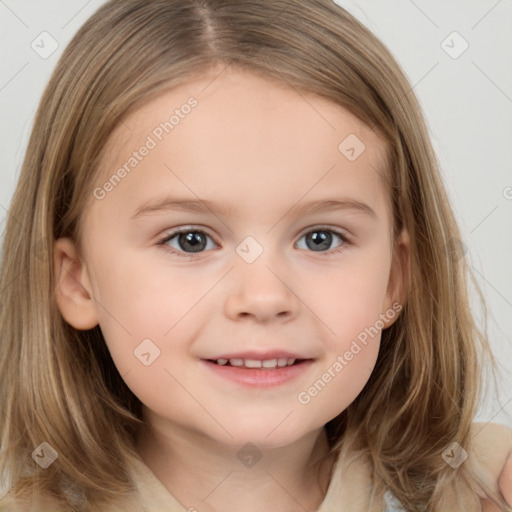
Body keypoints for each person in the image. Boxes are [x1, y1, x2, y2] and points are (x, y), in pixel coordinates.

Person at [0, 1, 511, 511]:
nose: (264, 297)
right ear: (77, 281)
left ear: (396, 278)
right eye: (190, 240)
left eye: (321, 238)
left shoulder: (487, 488)